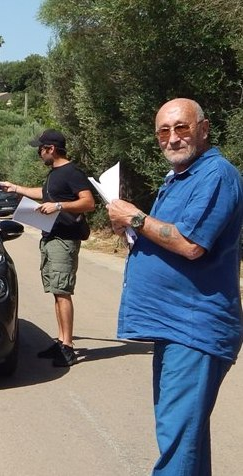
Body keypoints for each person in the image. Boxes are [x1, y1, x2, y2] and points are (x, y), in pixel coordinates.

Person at [107, 98, 242, 474]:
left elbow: (190, 243)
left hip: (194, 327)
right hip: (176, 325)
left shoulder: (216, 175)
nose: (172, 138)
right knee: (186, 441)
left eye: (181, 127)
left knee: (178, 442)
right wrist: (130, 227)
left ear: (204, 128)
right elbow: (161, 235)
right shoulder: (182, 179)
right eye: (163, 131)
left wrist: (134, 215)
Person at [0, 129, 95, 366]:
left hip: (64, 240)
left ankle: (68, 348)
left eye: (40, 149)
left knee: (63, 292)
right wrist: (15, 188)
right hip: (52, 238)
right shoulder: (54, 174)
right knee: (57, 291)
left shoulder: (72, 172)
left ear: (50, 149)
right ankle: (62, 342)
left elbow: (89, 202)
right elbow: (44, 194)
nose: (39, 153)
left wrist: (58, 207)